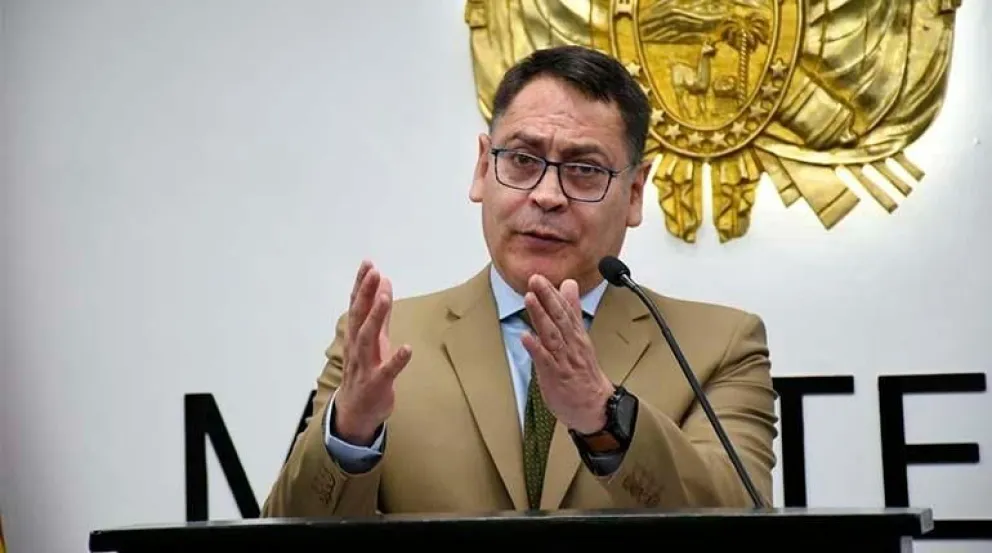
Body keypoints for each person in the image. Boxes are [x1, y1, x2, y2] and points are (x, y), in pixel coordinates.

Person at [261, 45, 778, 517]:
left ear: (636, 193)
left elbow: (742, 522)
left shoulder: (718, 347)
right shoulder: (385, 342)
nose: (547, 195)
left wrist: (603, 417)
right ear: (482, 169)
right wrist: (350, 432)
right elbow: (284, 531)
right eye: (523, 161)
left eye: (584, 169)